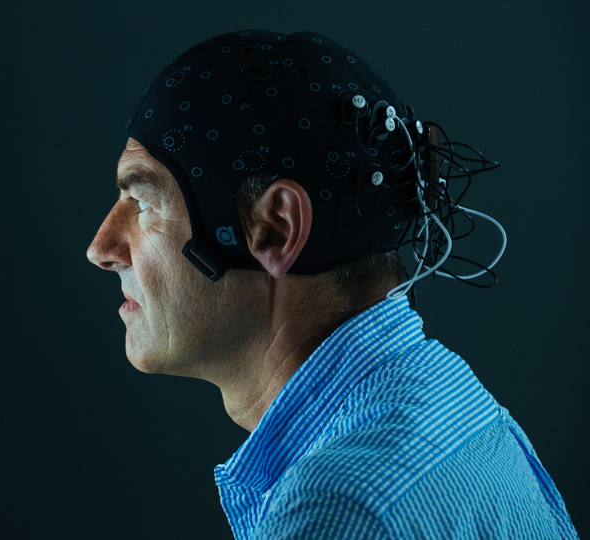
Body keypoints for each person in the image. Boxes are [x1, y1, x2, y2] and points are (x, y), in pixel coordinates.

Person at [86, 30, 577, 539]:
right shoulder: (455, 406)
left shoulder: (336, 511)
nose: (101, 247)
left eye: (142, 204)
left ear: (275, 229)